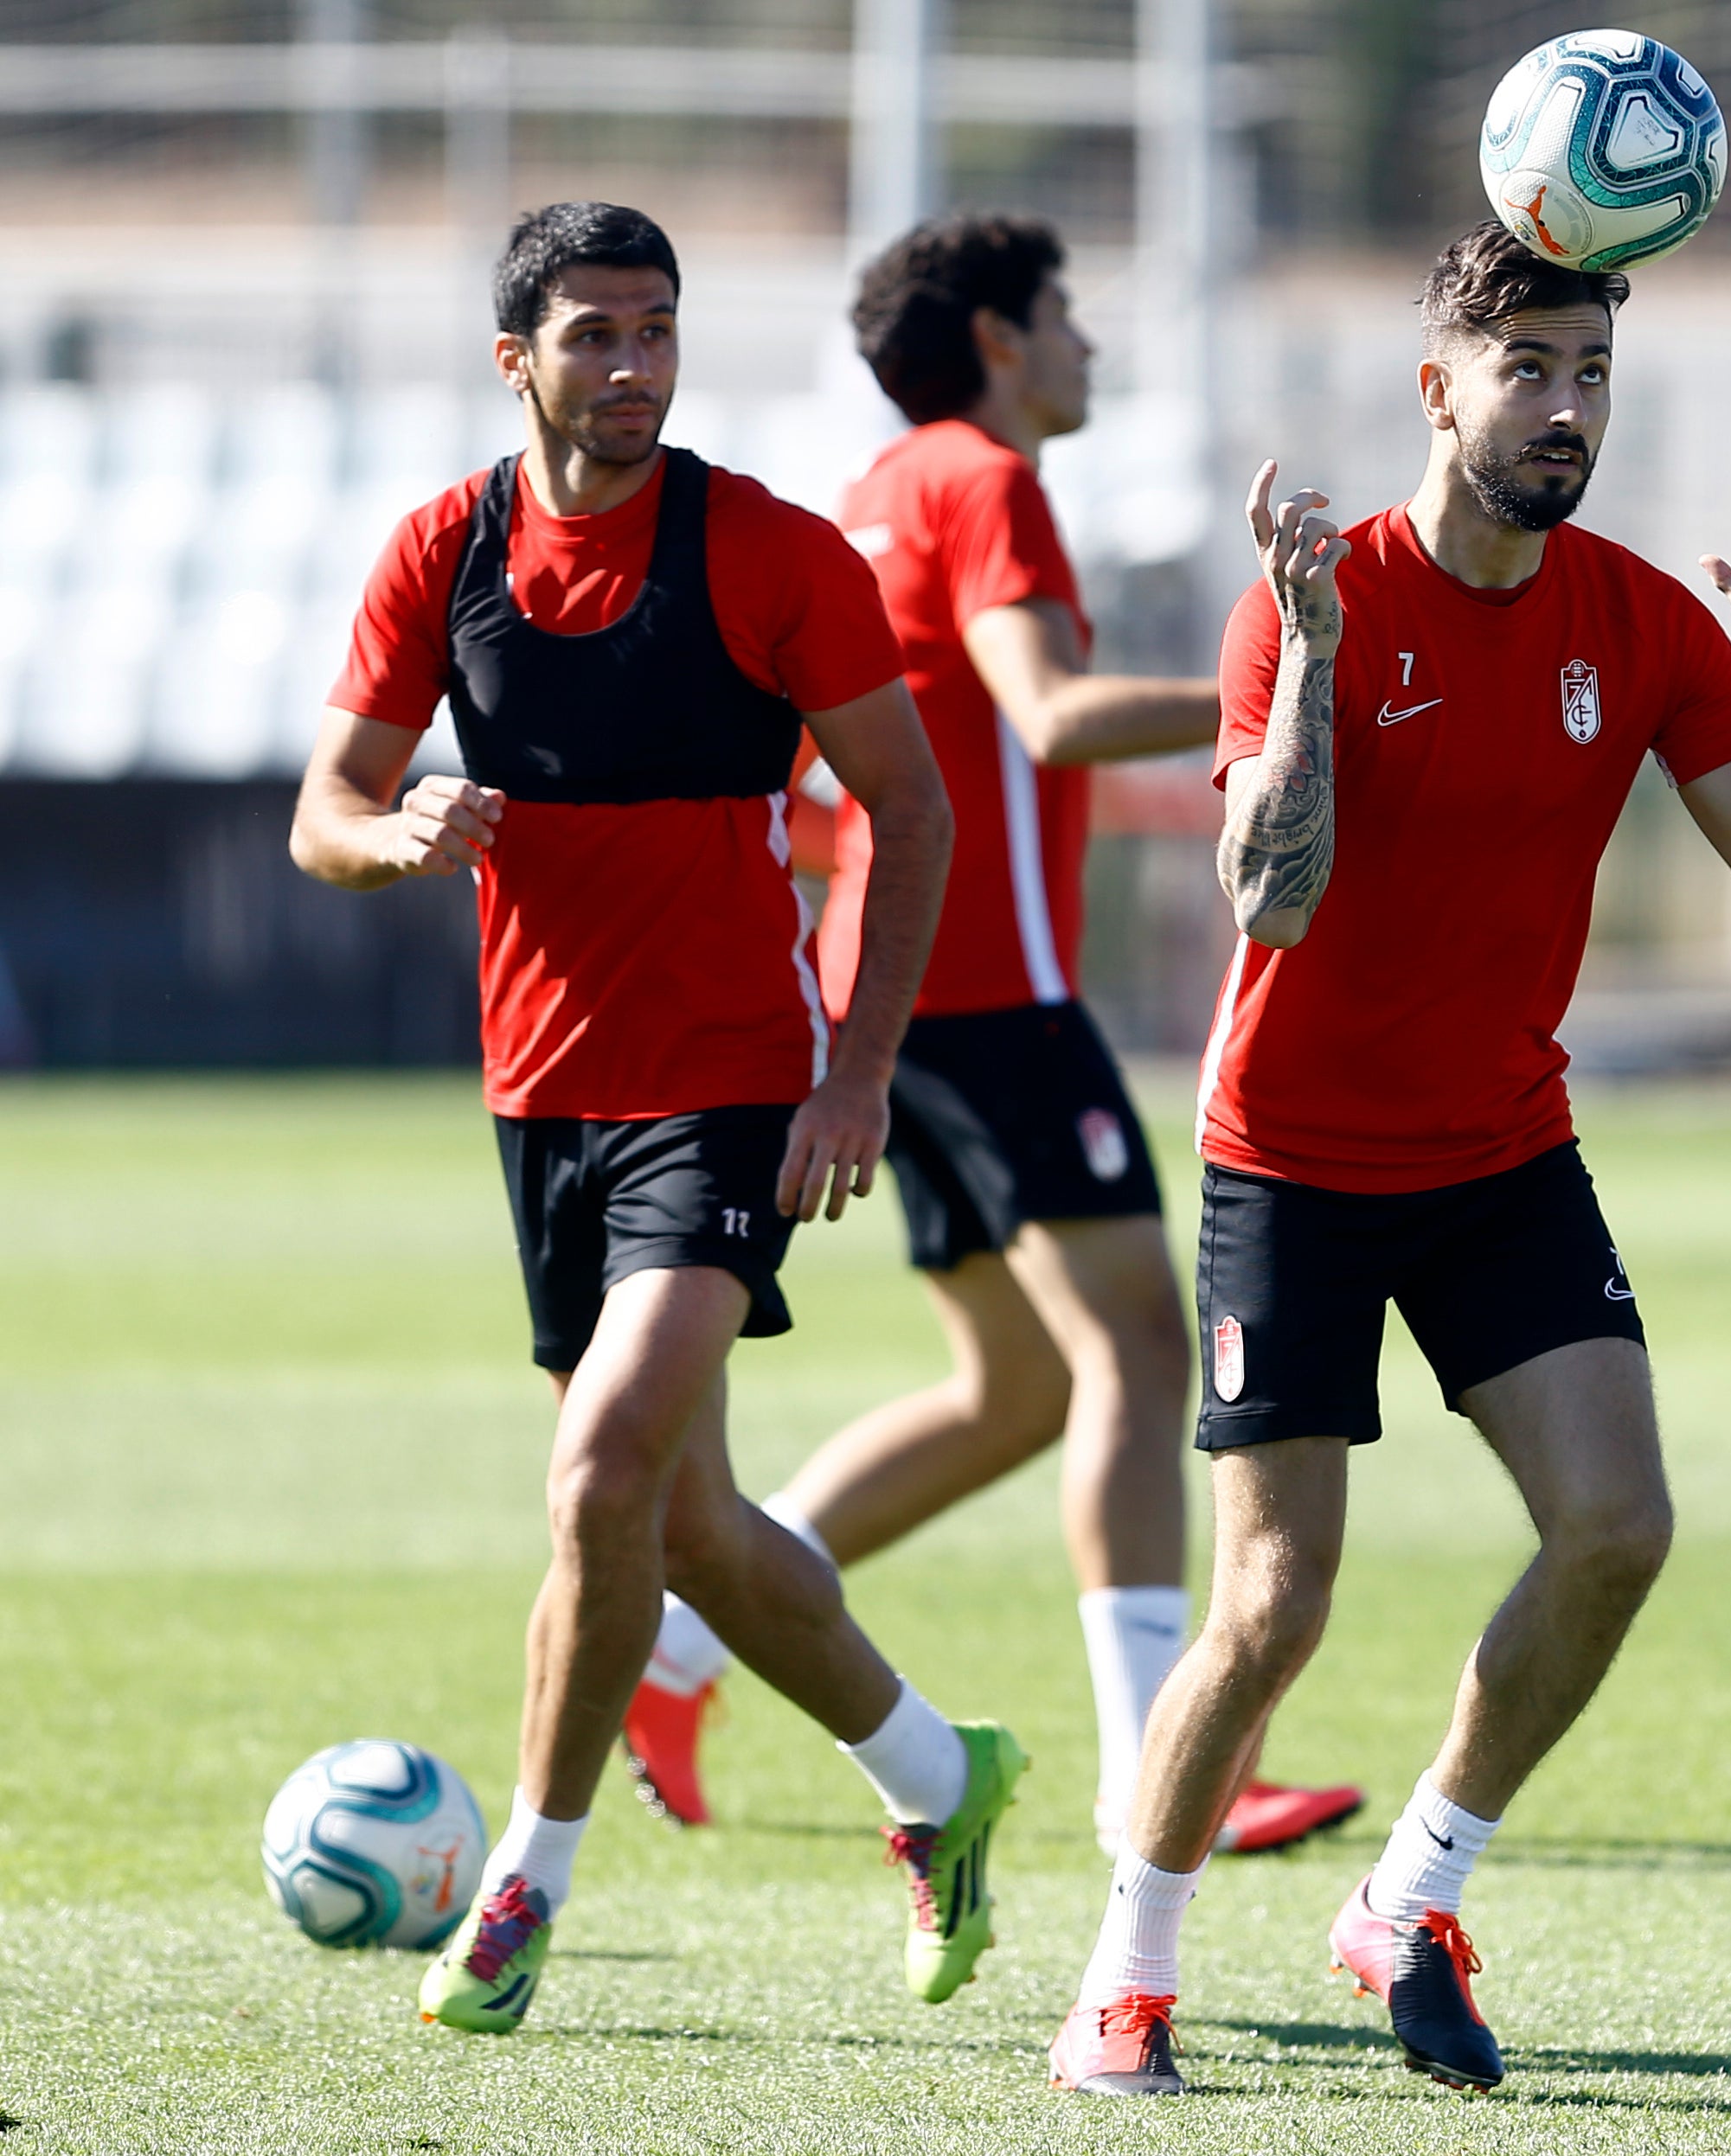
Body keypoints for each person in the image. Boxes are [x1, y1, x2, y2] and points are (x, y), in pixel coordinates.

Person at [1048, 217, 1731, 2097]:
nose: (1566, 407)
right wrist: (1315, 661)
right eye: (1529, 370)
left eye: (1592, 373)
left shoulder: (1642, 621)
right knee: (1272, 1602)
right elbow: (1269, 898)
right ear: (1438, 388)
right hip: (1291, 1159)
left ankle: (1406, 1892)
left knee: (1618, 1528)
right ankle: (1125, 1975)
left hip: (1501, 1150)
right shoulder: (1308, 597)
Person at [288, 201, 1025, 2037]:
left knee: (600, 1471)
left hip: (728, 1083)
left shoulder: (768, 550)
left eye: (658, 330)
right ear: (514, 358)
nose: (634, 366)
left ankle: (520, 1889)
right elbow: (324, 810)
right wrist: (399, 833)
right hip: (541, 1094)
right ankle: (943, 1776)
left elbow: (913, 811)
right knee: (682, 1523)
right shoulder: (440, 548)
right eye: (595, 334)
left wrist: (855, 1070)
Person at [628, 212, 1362, 1861]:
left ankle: (675, 1645)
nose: (1088, 344)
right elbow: (1051, 712)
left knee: (1019, 1384)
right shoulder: (987, 481)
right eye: (1065, 313)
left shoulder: (876, 493)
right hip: (989, 991)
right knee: (1142, 1352)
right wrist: (1298, 684)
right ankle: (1164, 1768)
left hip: (892, 991)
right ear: (1000, 342)